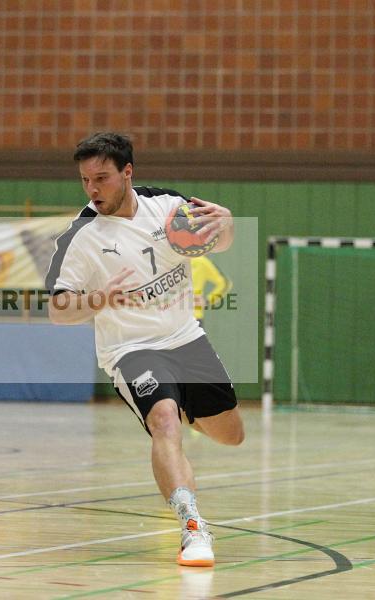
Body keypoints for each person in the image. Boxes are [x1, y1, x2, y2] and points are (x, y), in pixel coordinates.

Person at [45, 132, 245, 567]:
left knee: (231, 434)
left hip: (185, 338)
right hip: (131, 351)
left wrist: (226, 223)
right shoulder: (82, 237)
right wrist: (100, 299)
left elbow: (221, 241)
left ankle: (181, 411)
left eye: (102, 178)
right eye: (85, 180)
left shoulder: (167, 207)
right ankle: (192, 528)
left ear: (127, 173)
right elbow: (57, 310)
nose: (93, 190)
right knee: (164, 422)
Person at [190, 255, 232, 327]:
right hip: (171, 317)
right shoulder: (170, 258)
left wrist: (207, 300)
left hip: (193, 317)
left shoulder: (201, 261)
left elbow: (225, 283)